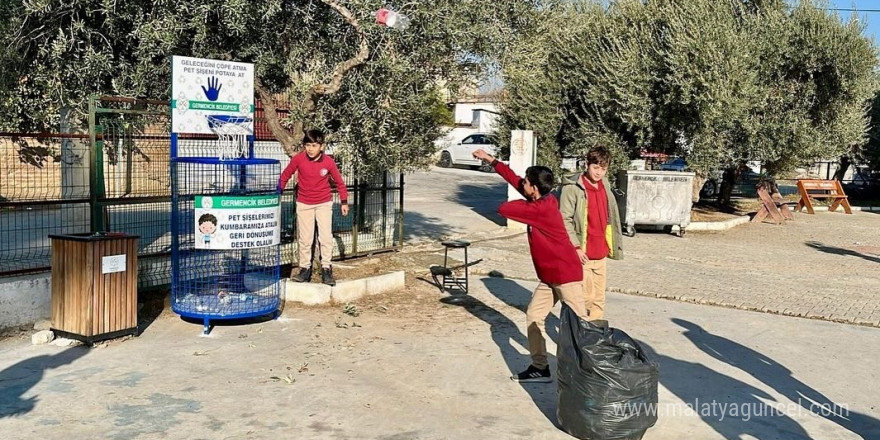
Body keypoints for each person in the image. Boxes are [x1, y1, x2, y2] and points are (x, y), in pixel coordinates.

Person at [472, 148, 586, 383]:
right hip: (549, 277)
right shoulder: (540, 200)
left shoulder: (541, 209)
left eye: (526, 182)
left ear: (534, 188)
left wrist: (522, 199)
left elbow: (503, 209)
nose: (521, 184)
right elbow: (515, 180)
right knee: (534, 315)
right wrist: (491, 160)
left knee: (580, 325)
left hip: (566, 275)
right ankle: (540, 367)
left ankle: (589, 370)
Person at [559, 146, 623, 321]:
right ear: (587, 164)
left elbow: (611, 218)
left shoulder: (605, 185)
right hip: (582, 254)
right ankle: (576, 334)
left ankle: (595, 339)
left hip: (600, 253)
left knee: (598, 300)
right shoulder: (572, 188)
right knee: (584, 299)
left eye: (603, 169)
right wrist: (576, 247)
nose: (599, 173)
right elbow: (564, 219)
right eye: (595, 168)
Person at [278, 129, 349, 286]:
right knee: (305, 239)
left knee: (325, 237)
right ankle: (304, 270)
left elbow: (339, 182)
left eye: (314, 145)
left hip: (323, 203)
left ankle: (326, 269)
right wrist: (279, 191)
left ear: (321, 146)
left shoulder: (328, 162)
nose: (310, 148)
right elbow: (286, 174)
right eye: (308, 145)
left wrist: (344, 202)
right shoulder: (299, 159)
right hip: (304, 204)